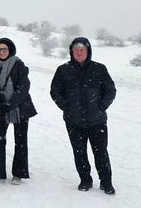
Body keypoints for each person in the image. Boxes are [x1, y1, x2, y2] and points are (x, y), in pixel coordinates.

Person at [50, 38, 117, 195]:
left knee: (100, 152)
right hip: (74, 121)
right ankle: (85, 180)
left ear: (88, 51)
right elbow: (55, 91)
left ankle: (106, 182)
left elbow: (110, 90)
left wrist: (101, 107)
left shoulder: (99, 69)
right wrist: (66, 107)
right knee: (79, 152)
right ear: (72, 51)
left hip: (97, 120)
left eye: (82, 49)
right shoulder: (63, 70)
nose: (79, 52)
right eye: (76, 49)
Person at [0, 38, 37, 186]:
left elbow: (24, 86)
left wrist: (12, 103)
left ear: (10, 50)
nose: (2, 52)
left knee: (20, 141)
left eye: (5, 49)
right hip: (1, 109)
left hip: (20, 108)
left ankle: (18, 173)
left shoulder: (19, 65)